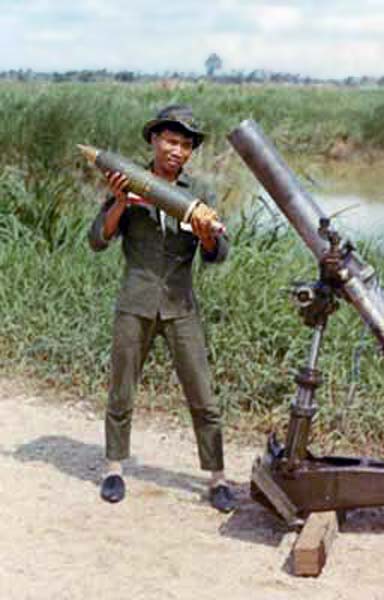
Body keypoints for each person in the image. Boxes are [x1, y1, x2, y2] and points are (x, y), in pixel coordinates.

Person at [88, 105, 236, 513]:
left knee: (203, 396)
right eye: (171, 141)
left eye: (186, 145)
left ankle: (217, 478)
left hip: (180, 306)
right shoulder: (128, 181)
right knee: (121, 390)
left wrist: (207, 237)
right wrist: (120, 203)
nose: (178, 150)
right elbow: (97, 240)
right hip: (135, 303)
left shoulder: (196, 194)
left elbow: (218, 254)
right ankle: (114, 469)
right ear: (154, 140)